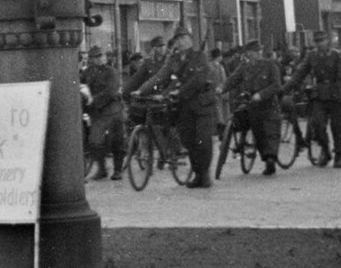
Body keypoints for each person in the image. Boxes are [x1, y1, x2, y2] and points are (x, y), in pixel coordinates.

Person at [137, 29, 218, 188]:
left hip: (202, 104)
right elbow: (160, 76)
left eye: (183, 38)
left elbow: (198, 80)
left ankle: (204, 174)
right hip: (185, 105)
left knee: (202, 140)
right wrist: (141, 90)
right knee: (188, 140)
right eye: (177, 39)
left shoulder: (200, 57)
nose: (180, 42)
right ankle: (197, 173)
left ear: (190, 40)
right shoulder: (173, 59)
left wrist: (179, 91)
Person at [221, 39, 282, 176]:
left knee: (271, 132)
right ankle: (266, 158)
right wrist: (221, 88)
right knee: (258, 132)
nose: (254, 55)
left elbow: (276, 85)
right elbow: (233, 79)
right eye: (251, 52)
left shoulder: (270, 65)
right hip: (253, 105)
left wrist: (261, 94)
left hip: (269, 105)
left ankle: (271, 159)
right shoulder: (245, 67)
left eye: (256, 52)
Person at [284, 29, 341, 167]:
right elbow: (300, 73)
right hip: (318, 95)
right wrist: (284, 88)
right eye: (317, 41)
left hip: (335, 94)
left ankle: (339, 155)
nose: (320, 44)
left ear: (327, 41)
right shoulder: (312, 56)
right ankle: (325, 151)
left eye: (322, 41)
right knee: (318, 125)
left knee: (337, 126)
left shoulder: (336, 55)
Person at [82, 46, 126, 180]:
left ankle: (118, 170)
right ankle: (102, 169)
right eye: (96, 56)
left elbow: (111, 91)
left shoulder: (111, 72)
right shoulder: (87, 72)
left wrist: (93, 99)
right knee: (95, 141)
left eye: (101, 55)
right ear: (91, 59)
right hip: (97, 112)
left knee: (116, 141)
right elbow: (81, 85)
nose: (100, 58)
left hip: (112, 110)